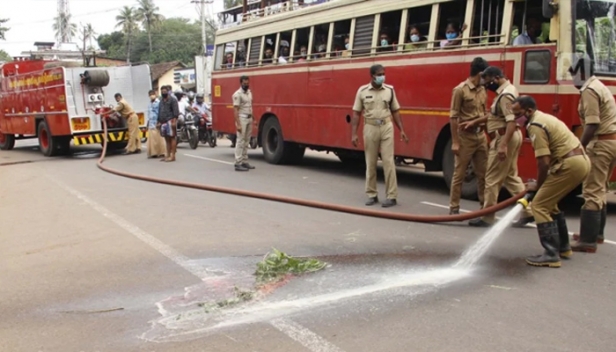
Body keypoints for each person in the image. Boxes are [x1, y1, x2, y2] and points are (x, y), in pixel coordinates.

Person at [511, 95, 590, 268]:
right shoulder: (544, 117)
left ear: (529, 111)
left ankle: (551, 254)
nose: (516, 119)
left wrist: (538, 187)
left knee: (539, 205)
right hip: (579, 161)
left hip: (569, 164)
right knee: (550, 204)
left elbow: (543, 162)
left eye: (518, 114)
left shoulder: (535, 126)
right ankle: (563, 248)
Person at [463, 66, 534, 227]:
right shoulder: (507, 90)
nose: (486, 85)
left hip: (504, 136)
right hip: (509, 136)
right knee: (510, 176)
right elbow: (497, 115)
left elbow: (511, 121)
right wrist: (475, 121)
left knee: (492, 179)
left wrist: (502, 145)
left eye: (487, 81)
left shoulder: (506, 95)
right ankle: (529, 211)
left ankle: (487, 217)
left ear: (495, 78)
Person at [569, 58, 616, 253]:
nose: (572, 81)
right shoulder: (600, 86)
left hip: (600, 144)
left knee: (591, 190)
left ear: (581, 73)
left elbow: (592, 123)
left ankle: (587, 241)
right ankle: (595, 234)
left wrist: (580, 147)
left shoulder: (589, 90)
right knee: (600, 188)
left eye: (573, 76)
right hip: (611, 141)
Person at [351, 64, 409, 207]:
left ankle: (392, 196)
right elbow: (356, 113)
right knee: (370, 162)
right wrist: (354, 134)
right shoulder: (362, 91)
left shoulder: (390, 90)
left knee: (388, 162)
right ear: (372, 76)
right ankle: (372, 194)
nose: (382, 76)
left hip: (386, 126)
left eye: (383, 74)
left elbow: (395, 111)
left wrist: (401, 129)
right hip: (370, 127)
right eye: (379, 74)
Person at [448, 57, 489, 215]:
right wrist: (455, 142)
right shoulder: (460, 90)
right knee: (460, 173)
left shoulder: (482, 89)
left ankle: (484, 208)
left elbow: (484, 113)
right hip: (465, 137)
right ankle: (454, 207)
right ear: (479, 73)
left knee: (483, 174)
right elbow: (453, 117)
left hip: (480, 136)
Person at [232, 75, 254, 171]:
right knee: (240, 141)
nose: (246, 85)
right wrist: (238, 124)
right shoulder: (237, 94)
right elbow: (236, 110)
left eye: (247, 83)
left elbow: (250, 107)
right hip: (242, 119)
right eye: (244, 83)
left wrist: (254, 118)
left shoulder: (249, 93)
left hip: (249, 118)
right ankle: (238, 162)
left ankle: (244, 161)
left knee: (246, 141)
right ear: (241, 83)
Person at [157, 86, 180, 162]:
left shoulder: (173, 100)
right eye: (162, 91)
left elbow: (176, 112)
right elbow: (159, 111)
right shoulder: (161, 101)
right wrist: (158, 121)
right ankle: (168, 155)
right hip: (163, 122)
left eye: (165, 91)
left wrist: (174, 121)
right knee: (166, 139)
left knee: (172, 138)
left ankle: (173, 156)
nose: (163, 93)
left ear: (168, 91)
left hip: (171, 121)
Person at [146, 89, 166, 158]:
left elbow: (161, 112)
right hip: (151, 123)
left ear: (155, 94)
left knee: (159, 138)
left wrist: (160, 121)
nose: (151, 96)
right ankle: (154, 153)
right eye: (150, 94)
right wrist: (148, 122)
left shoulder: (158, 103)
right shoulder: (149, 104)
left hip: (157, 122)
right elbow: (149, 114)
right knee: (152, 139)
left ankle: (161, 152)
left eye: (152, 94)